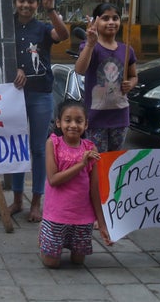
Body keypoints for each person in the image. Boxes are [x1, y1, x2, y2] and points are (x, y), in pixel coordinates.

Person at [10, 0, 69, 222]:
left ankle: (36, 202)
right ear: (15, 2)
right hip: (13, 95)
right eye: (21, 0)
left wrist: (51, 10)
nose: (26, 5)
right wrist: (13, 69)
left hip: (41, 94)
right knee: (15, 148)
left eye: (31, 1)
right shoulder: (5, 27)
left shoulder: (44, 27)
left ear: (37, 4)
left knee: (37, 149)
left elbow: (63, 35)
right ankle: (16, 199)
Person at [40, 99, 111, 268]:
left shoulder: (91, 149)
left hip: (82, 216)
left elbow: (94, 189)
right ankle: (44, 233)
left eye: (79, 121)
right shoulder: (53, 144)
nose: (73, 125)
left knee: (78, 261)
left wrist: (101, 223)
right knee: (52, 263)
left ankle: (56, 240)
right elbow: (53, 179)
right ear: (58, 122)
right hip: (56, 214)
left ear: (86, 124)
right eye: (67, 120)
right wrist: (81, 164)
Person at [74, 3, 137, 153]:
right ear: (96, 21)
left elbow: (134, 76)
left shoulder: (127, 50)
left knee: (114, 162)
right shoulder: (89, 46)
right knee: (96, 162)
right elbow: (80, 69)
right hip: (95, 119)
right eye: (105, 18)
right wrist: (90, 43)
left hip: (120, 117)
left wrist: (131, 84)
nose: (111, 22)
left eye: (115, 18)